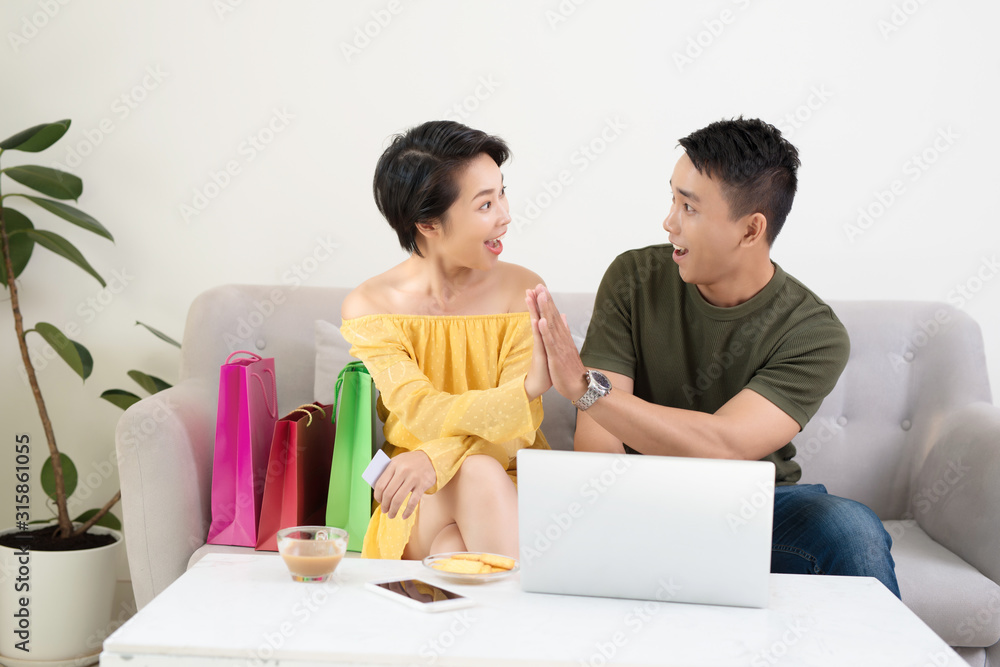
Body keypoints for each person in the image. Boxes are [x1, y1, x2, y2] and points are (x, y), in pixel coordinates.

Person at [526, 117, 900, 597]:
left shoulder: (814, 333)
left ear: (750, 230)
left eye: (689, 208)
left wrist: (582, 388)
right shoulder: (633, 278)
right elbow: (600, 439)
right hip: (636, 500)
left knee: (851, 529)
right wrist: (619, 520)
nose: (669, 222)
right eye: (673, 199)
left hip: (755, 510)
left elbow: (724, 446)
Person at [340, 120, 551, 560]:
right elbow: (421, 411)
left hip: (511, 483)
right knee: (475, 473)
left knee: (455, 546)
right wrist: (524, 393)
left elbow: (517, 433)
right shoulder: (371, 306)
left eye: (502, 193)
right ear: (429, 224)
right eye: (484, 205)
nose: (506, 215)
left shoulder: (522, 289)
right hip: (416, 491)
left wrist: (435, 457)